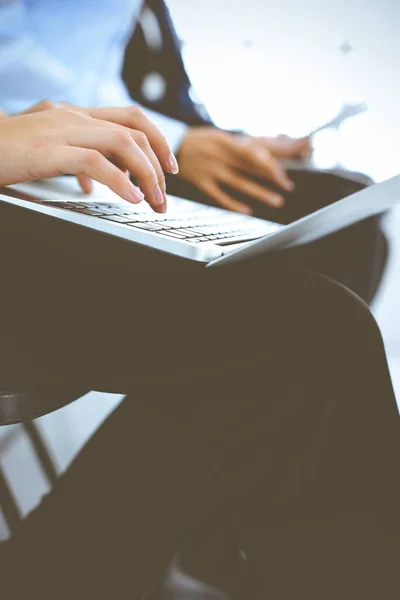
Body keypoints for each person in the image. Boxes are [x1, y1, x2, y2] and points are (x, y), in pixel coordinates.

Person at [0, 104, 399, 600]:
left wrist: (202, 137)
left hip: (50, 175)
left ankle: (80, 564)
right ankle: (69, 567)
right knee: (308, 333)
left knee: (339, 232)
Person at [0, 0, 388, 302]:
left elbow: (94, 79)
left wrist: (217, 140)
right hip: (30, 146)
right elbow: (15, 65)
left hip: (77, 141)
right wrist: (177, 142)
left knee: (346, 223)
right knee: (330, 276)